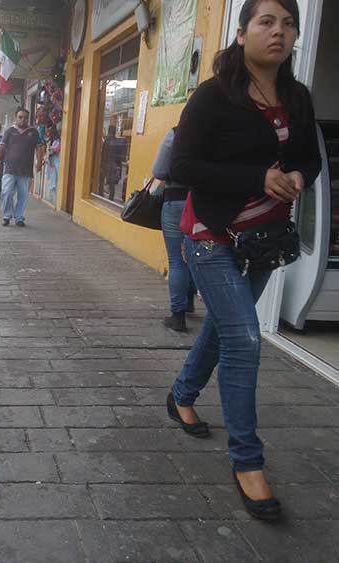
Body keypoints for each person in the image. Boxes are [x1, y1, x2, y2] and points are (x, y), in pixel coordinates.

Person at [169, 0, 321, 521]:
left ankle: (182, 394)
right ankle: (247, 461)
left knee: (227, 329)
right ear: (241, 33)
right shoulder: (214, 96)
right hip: (212, 234)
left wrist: (299, 177)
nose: (278, 32)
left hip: (263, 239)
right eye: (266, 22)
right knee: (245, 337)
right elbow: (184, 166)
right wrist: (257, 178)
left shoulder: (296, 97)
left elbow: (310, 157)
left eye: (287, 23)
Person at [152, 128, 197, 332]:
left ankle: (178, 315)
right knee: (196, 254)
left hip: (176, 200)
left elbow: (159, 171)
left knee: (177, 260)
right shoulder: (218, 134)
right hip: (204, 204)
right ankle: (189, 301)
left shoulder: (175, 134)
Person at [0, 108, 45, 226]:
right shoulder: (9, 131)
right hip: (10, 169)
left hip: (26, 170)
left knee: (23, 195)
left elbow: (39, 148)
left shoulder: (33, 132)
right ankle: (6, 215)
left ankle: (19, 217)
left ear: (28, 118)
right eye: (20, 117)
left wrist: (39, 162)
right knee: (6, 192)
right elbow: (1, 148)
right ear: (16, 118)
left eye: (25, 117)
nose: (23, 119)